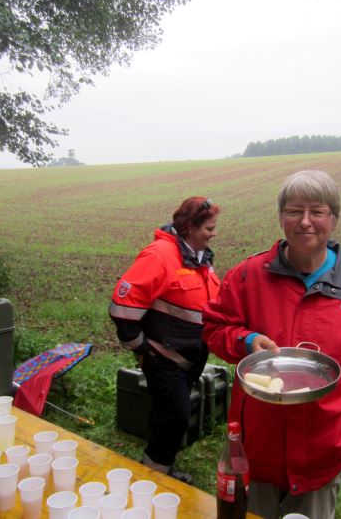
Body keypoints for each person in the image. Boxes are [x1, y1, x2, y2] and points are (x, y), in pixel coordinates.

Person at [203, 170, 341, 518]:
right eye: (294, 211)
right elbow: (215, 326)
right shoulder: (248, 275)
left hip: (324, 453)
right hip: (255, 449)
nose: (305, 221)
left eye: (317, 211)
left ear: (333, 219)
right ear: (281, 218)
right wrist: (244, 340)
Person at [109, 196, 221, 484]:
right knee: (176, 417)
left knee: (168, 415)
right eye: (209, 228)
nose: (213, 233)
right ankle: (153, 480)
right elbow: (122, 307)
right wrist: (142, 349)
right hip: (164, 358)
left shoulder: (199, 257)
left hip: (188, 359)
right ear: (189, 227)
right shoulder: (159, 255)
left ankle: (158, 469)